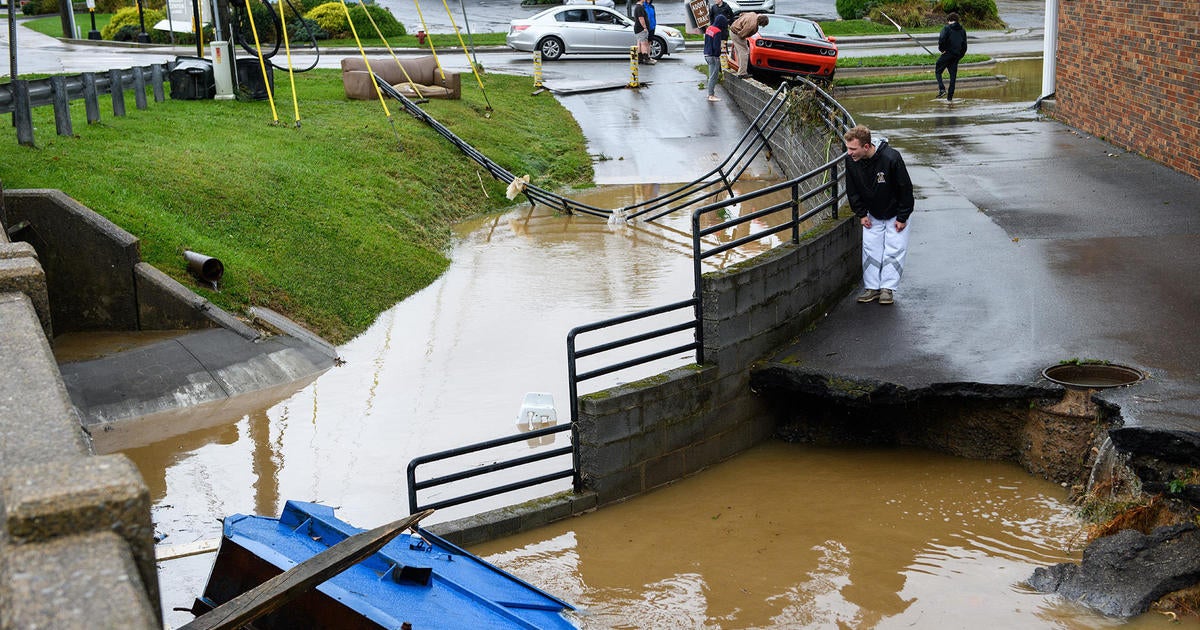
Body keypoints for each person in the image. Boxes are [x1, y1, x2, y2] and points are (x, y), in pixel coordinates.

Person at [842, 125, 914, 305]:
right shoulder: (852, 161)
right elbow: (852, 189)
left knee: (894, 249)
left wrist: (902, 217)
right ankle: (872, 288)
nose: (849, 152)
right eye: (848, 148)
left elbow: (905, 188)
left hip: (896, 212)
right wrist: (861, 213)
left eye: (853, 149)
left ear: (866, 146)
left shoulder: (891, 158)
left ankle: (887, 289)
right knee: (871, 249)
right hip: (872, 212)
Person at [936, 12, 968, 101]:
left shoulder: (946, 28)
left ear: (949, 20)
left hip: (947, 54)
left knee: (938, 70)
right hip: (956, 56)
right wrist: (959, 56)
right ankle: (949, 98)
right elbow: (964, 46)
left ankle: (942, 89)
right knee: (953, 77)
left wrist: (942, 50)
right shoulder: (962, 30)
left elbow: (941, 40)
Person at [729, 13, 768, 77]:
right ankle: (742, 73)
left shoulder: (753, 14)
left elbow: (741, 14)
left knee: (739, 51)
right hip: (736, 33)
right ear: (761, 23)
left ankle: (739, 68)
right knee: (745, 52)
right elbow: (742, 35)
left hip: (732, 29)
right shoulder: (752, 25)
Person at [703, 14, 728, 102]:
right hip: (713, 56)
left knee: (711, 75)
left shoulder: (709, 28)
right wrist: (718, 55)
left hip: (706, 54)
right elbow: (716, 46)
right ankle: (711, 95)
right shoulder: (717, 31)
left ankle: (710, 94)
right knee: (714, 76)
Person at [632, 0, 652, 65]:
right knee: (644, 44)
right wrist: (645, 27)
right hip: (641, 29)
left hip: (638, 28)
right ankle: (646, 59)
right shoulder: (639, 7)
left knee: (639, 43)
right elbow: (641, 18)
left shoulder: (638, 7)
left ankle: (640, 59)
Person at [645, 0, 658, 64]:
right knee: (644, 43)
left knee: (649, 43)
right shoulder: (642, 6)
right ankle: (644, 57)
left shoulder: (652, 6)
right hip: (645, 28)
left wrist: (654, 24)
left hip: (652, 27)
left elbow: (654, 16)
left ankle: (648, 56)